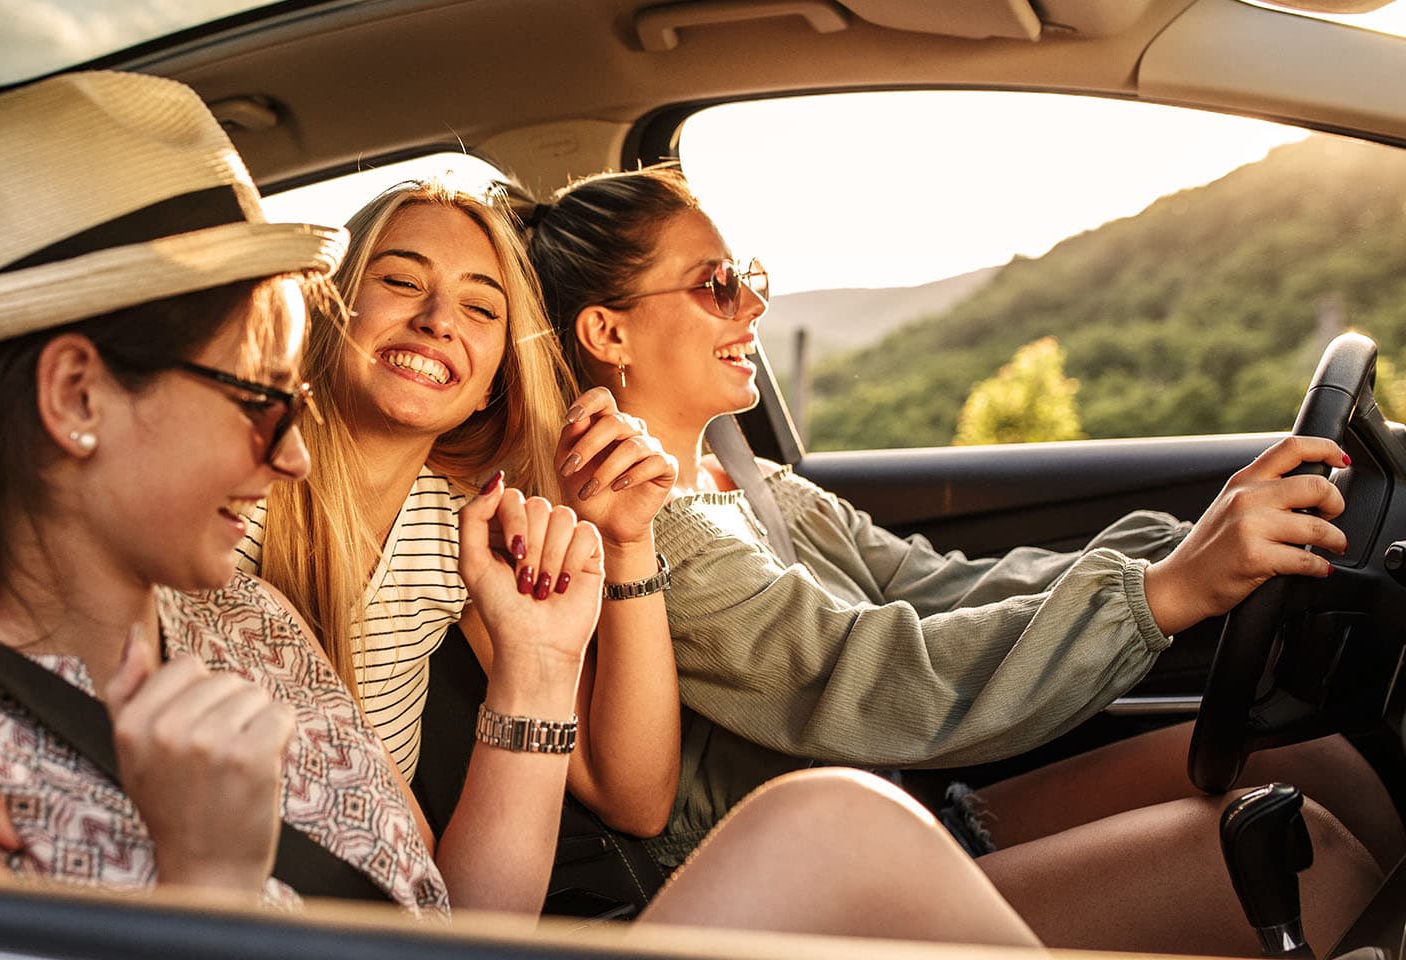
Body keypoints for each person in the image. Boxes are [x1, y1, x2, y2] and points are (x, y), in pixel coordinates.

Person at [0, 68, 1048, 946]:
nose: (287, 453)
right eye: (258, 392)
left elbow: (453, 920)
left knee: (839, 826)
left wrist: (539, 664)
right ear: (77, 393)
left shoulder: (242, 619)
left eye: (480, 307)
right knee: (837, 829)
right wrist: (202, 881)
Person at [526, 164, 1397, 953]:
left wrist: (1189, 549)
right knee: (1308, 854)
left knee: (1323, 765)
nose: (752, 307)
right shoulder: (652, 541)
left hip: (912, 819)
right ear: (609, 331)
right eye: (718, 286)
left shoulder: (751, 481)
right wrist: (1163, 594)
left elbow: (936, 587)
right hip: (805, 900)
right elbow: (863, 667)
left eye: (747, 279)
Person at [0, 176, 685, 866]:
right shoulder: (202, 523)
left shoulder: (382, 565)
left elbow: (622, 803)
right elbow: (9, 570)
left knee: (827, 819)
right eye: (400, 281)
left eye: (484, 308)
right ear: (328, 321)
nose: (442, 319)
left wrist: (621, 554)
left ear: (498, 376)